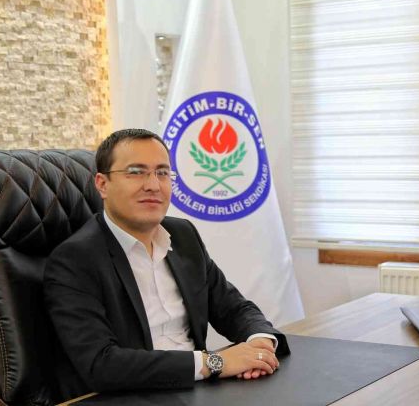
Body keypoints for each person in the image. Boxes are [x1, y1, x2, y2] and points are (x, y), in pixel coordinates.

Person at [44, 129, 289, 400]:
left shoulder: (184, 236)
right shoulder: (74, 260)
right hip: (128, 397)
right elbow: (101, 364)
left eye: (162, 172)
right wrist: (215, 363)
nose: (153, 185)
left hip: (196, 390)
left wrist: (259, 343)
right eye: (136, 172)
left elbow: (233, 307)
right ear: (102, 184)